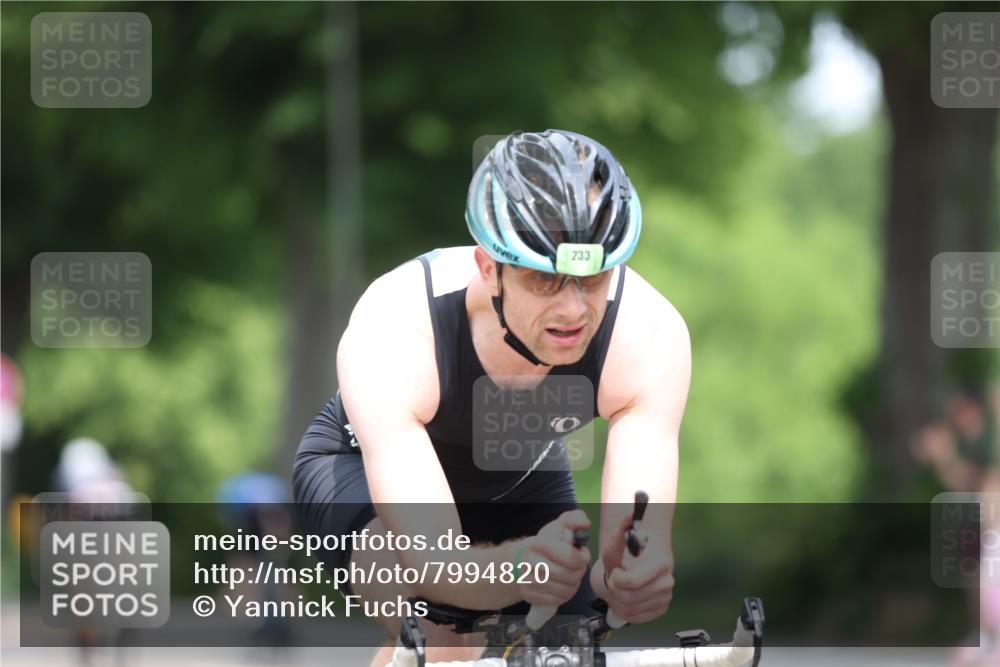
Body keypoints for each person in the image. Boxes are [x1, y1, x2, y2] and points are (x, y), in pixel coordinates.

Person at [293, 130, 690, 666]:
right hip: (357, 468)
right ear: (489, 268)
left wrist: (632, 576)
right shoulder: (397, 323)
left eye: (594, 276)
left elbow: (635, 543)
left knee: (569, 644)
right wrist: (524, 567)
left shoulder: (647, 333)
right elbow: (436, 566)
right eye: (545, 279)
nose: (574, 308)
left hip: (519, 468)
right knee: (442, 635)